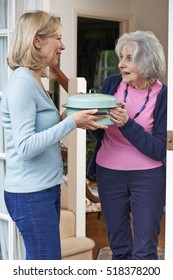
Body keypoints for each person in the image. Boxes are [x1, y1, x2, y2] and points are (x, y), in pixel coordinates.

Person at [0, 10, 107, 260]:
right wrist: (70, 122)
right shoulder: (22, 83)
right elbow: (25, 146)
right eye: (57, 38)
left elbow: (40, 130)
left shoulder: (36, 79)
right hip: (31, 194)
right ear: (37, 41)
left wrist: (70, 118)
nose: (63, 45)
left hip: (44, 189)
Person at [88, 30, 167, 260]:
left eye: (129, 59)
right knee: (119, 248)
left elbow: (160, 148)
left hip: (148, 178)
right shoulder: (112, 83)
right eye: (120, 58)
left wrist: (127, 124)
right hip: (109, 173)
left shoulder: (164, 96)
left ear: (147, 60)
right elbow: (101, 130)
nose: (121, 64)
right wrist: (89, 122)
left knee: (145, 250)